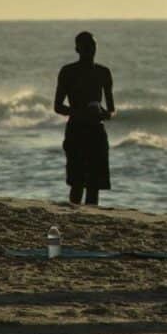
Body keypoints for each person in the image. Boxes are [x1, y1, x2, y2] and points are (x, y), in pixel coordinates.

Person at [54, 32, 115, 205]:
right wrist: (79, 112)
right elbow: (58, 106)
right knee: (77, 182)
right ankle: (74, 215)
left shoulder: (103, 72)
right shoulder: (68, 72)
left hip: (97, 130)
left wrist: (103, 113)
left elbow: (111, 110)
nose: (90, 50)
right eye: (86, 47)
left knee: (94, 185)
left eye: (93, 47)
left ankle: (91, 216)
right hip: (76, 130)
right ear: (77, 49)